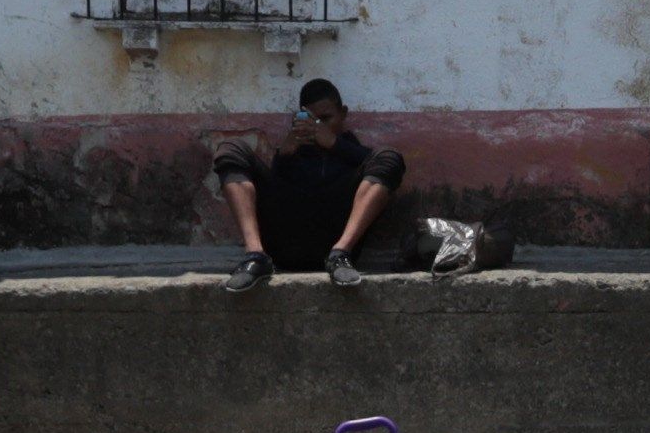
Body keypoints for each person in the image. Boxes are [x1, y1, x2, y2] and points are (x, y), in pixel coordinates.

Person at [213, 81, 500, 287]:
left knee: (388, 158)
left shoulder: (352, 152)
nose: (318, 126)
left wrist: (334, 144)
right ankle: (256, 256)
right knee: (231, 150)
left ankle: (340, 255)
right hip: (286, 238)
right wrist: (284, 156)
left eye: (326, 118)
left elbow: (375, 165)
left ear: (344, 114)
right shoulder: (293, 152)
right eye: (311, 119)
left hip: (333, 239)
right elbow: (276, 195)